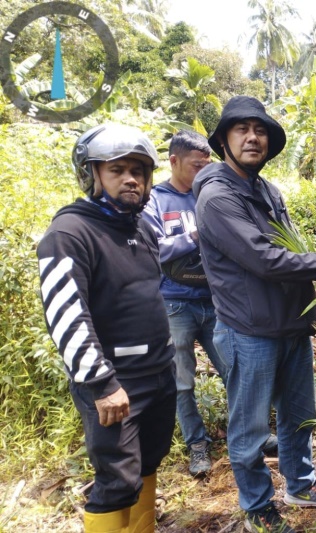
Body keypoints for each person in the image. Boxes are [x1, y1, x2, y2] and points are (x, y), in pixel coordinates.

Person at [193, 96, 316, 533]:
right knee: (250, 429)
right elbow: (265, 259)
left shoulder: (266, 190)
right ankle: (258, 508)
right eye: (242, 129)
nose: (253, 137)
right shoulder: (217, 197)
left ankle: (301, 485)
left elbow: (291, 247)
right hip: (249, 329)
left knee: (300, 416)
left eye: (260, 130)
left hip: (290, 324)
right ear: (224, 140)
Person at [37, 124, 175, 533]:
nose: (131, 179)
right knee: (117, 481)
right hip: (115, 382)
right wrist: (101, 383)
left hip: (159, 372)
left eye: (139, 170)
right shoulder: (69, 233)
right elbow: (65, 313)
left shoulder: (140, 226)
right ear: (91, 174)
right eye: (117, 170)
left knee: (148, 462)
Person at [142, 130, 228, 477]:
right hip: (174, 304)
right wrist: (194, 236)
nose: (203, 172)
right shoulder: (155, 200)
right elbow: (154, 250)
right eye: (196, 166)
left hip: (216, 301)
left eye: (207, 165)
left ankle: (248, 433)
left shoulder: (210, 195)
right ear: (174, 161)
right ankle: (197, 445)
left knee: (235, 369)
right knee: (181, 381)